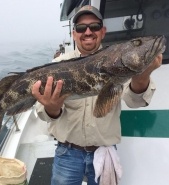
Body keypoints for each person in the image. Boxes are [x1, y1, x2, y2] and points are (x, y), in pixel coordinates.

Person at [31, 5, 163, 185]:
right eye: (80, 28)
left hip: (104, 153)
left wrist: (141, 78)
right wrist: (52, 108)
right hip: (67, 153)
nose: (87, 32)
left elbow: (134, 102)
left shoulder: (117, 62)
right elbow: (42, 113)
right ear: (73, 34)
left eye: (94, 26)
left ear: (103, 31)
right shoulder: (58, 64)